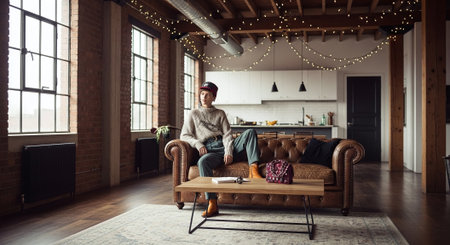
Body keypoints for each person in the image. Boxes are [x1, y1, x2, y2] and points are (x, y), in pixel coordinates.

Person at [180, 81, 262, 218]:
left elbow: (227, 135)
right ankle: (212, 203)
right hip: (210, 149)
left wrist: (229, 151)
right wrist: (198, 144)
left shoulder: (220, 113)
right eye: (202, 94)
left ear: (214, 97)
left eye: (207, 94)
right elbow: (184, 135)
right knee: (202, 162)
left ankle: (253, 170)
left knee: (250, 132)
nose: (203, 97)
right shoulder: (193, 114)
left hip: (226, 146)